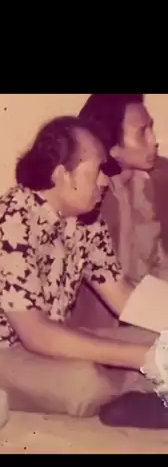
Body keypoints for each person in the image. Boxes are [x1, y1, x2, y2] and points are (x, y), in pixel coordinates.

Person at [0, 116, 164, 418]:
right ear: (62, 175)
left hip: (48, 344)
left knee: (155, 341)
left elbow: (123, 296)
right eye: (97, 170)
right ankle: (141, 394)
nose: (104, 181)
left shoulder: (86, 220)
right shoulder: (10, 224)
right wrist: (142, 358)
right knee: (87, 384)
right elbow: (37, 334)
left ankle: (143, 391)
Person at [70, 94, 168, 330]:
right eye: (142, 132)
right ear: (113, 147)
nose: (154, 140)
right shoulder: (90, 201)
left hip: (152, 309)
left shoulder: (155, 179)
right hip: (104, 328)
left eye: (151, 128)